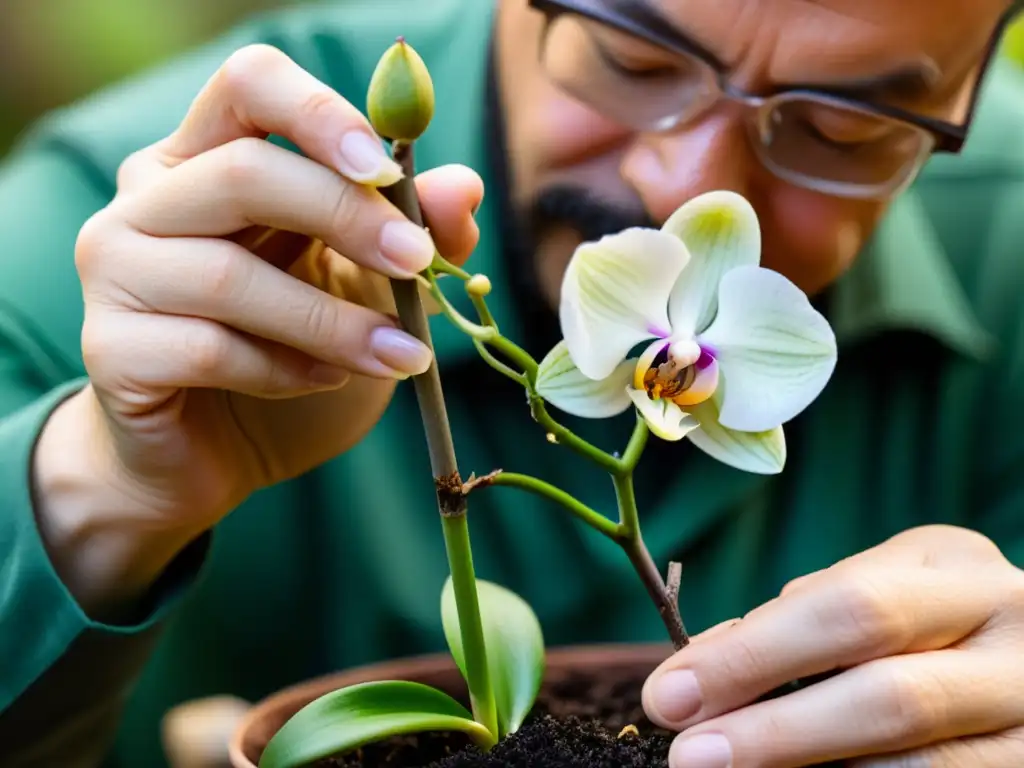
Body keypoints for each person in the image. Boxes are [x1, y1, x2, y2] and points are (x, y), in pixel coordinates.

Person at [1, 0, 1023, 766]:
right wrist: (104, 495)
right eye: (632, 55)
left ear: (965, 93)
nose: (690, 186)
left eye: (842, 127)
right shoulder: (106, 240)